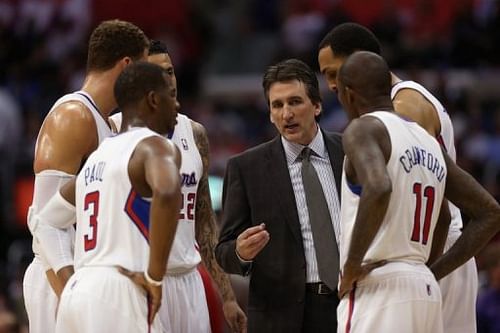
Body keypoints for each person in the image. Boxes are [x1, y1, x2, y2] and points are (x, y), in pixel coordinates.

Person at [317, 22, 478, 333]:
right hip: (431, 260)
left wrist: (351, 266)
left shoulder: (402, 109)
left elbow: (388, 190)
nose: (332, 85)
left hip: (414, 257)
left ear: (359, 62)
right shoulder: (409, 100)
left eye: (334, 73)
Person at [33, 61, 182, 332]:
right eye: (170, 96)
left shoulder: (97, 157)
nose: (178, 106)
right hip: (121, 288)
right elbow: (169, 191)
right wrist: (155, 277)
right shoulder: (155, 146)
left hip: (78, 292)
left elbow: (45, 221)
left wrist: (69, 280)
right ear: (152, 100)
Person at [110, 40, 247, 333]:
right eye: (158, 74)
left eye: (170, 72)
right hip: (139, 281)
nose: (168, 81)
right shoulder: (113, 129)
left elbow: (205, 220)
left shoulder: (195, 133)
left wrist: (227, 296)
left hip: (188, 280)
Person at [22, 19, 149, 333]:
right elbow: (43, 222)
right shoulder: (73, 116)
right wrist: (71, 294)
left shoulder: (108, 122)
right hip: (59, 278)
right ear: (127, 66)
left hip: (89, 277)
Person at [215, 59, 344, 332]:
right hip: (280, 317)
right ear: (270, 113)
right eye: (277, 105)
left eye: (295, 102)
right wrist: (241, 252)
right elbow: (224, 251)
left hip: (349, 304)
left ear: (317, 106)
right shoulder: (246, 168)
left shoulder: (349, 152)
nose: (286, 114)